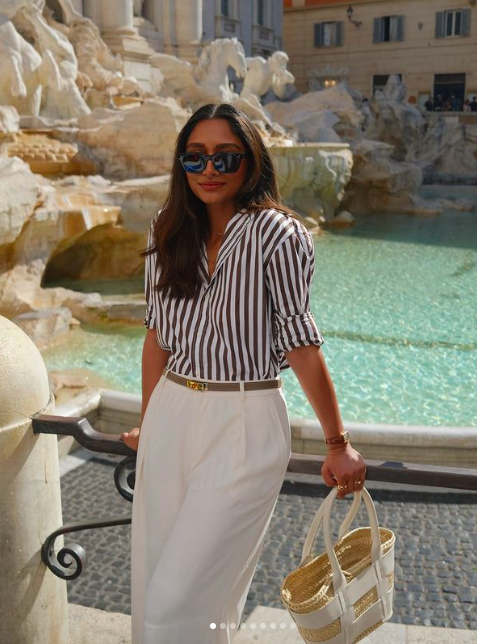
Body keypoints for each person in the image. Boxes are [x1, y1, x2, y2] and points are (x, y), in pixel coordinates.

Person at [120, 102, 367, 644]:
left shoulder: (277, 233)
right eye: (196, 157)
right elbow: (157, 337)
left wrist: (337, 442)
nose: (210, 169)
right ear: (182, 166)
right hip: (172, 412)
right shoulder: (168, 229)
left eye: (225, 157)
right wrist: (147, 422)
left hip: (245, 419)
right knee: (164, 583)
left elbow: (300, 342)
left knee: (173, 600)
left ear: (250, 161)